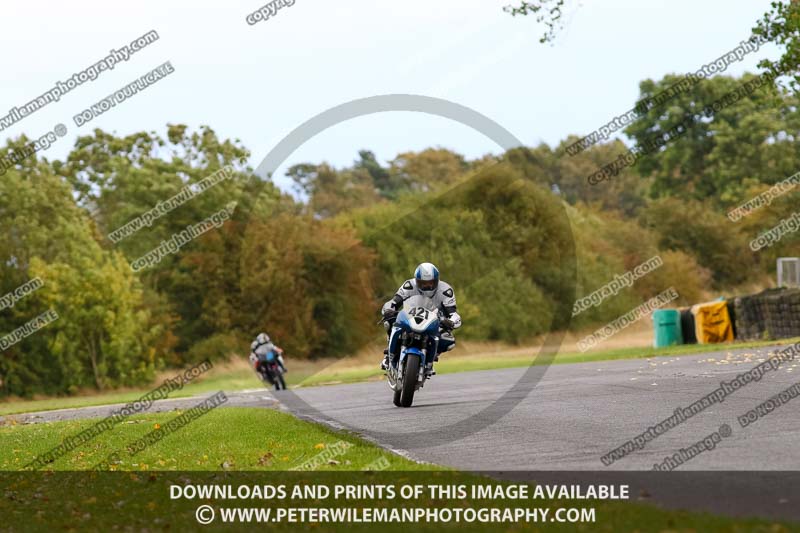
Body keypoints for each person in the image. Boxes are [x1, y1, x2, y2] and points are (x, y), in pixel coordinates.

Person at [380, 262, 462, 376]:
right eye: (423, 283)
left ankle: (431, 357)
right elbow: (394, 302)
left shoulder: (446, 290)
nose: (427, 286)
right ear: (417, 280)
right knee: (389, 321)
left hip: (433, 321)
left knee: (449, 341)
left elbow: (453, 313)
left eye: (431, 283)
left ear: (437, 280)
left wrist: (451, 322)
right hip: (410, 317)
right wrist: (389, 309)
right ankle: (389, 354)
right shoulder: (409, 285)